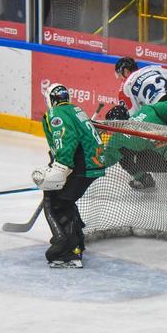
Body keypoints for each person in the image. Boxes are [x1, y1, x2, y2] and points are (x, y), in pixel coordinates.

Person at [31, 83, 105, 268]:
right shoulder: (75, 110)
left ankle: (68, 252)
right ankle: (75, 243)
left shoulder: (56, 114)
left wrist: (61, 167)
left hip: (80, 166)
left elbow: (66, 137)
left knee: (56, 204)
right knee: (65, 200)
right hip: (91, 165)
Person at [114, 57, 167, 129]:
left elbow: (134, 117)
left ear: (126, 72)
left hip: (162, 110)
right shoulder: (150, 68)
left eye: (119, 75)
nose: (119, 79)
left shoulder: (125, 87)